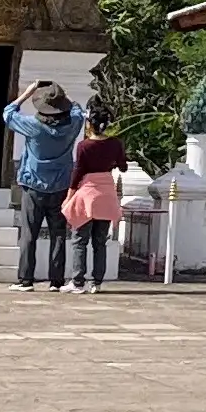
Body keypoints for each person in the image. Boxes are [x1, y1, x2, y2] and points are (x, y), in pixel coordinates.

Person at [3, 80, 88, 291]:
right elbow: (78, 109)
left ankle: (26, 279)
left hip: (33, 186)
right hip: (61, 186)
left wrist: (27, 93)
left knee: (29, 234)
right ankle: (56, 281)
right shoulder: (73, 124)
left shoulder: (33, 126)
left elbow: (8, 114)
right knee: (58, 234)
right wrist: (61, 95)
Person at [64, 116, 128, 294]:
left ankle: (77, 281)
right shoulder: (115, 144)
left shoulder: (84, 146)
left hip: (88, 193)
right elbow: (123, 166)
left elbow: (78, 173)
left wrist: (69, 196)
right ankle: (96, 282)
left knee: (80, 240)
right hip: (107, 193)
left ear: (90, 125)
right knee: (100, 242)